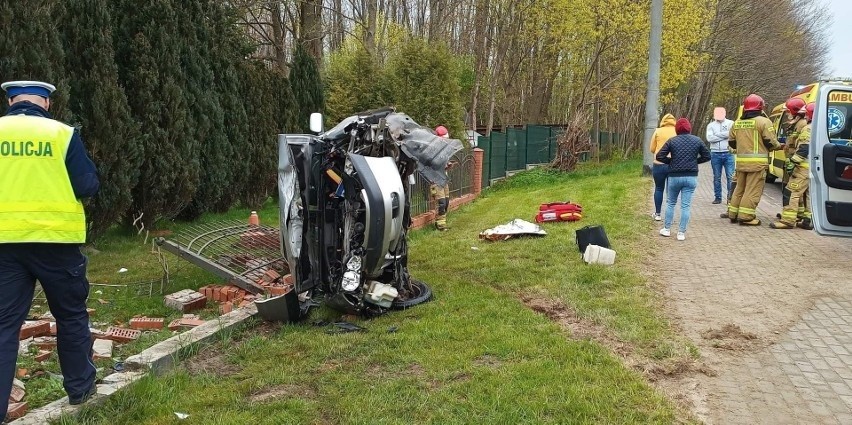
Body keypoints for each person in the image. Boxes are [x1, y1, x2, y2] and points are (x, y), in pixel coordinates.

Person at [0, 80, 100, 418]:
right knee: (70, 316)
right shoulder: (62, 134)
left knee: (3, 326)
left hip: (4, 243)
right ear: (46, 103)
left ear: (11, 100)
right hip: (56, 244)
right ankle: (81, 391)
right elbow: (87, 185)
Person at [724, 94, 781, 225]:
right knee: (752, 190)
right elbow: (771, 143)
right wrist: (779, 146)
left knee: (739, 189)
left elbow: (732, 143)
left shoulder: (737, 123)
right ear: (760, 107)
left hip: (741, 163)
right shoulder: (764, 122)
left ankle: (733, 213)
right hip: (757, 164)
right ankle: (746, 217)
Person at [655, 118, 710, 240]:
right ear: (689, 128)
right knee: (685, 206)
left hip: (674, 176)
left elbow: (659, 155)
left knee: (670, 203)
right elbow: (707, 156)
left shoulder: (672, 141)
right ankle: (681, 233)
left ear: (677, 129)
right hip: (691, 177)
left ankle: (667, 229)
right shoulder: (697, 140)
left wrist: (671, 162)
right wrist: (695, 162)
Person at [771, 102, 814, 230]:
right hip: (808, 167)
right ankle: (806, 219)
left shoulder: (806, 127)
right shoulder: (814, 126)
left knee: (791, 192)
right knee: (806, 195)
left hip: (802, 167)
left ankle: (788, 220)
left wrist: (793, 161)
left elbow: (804, 147)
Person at [778, 97, 808, 214]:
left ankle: (793, 215)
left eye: (788, 111)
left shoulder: (802, 124)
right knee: (787, 187)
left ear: (794, 111)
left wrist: (794, 161)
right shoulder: (794, 123)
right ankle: (794, 213)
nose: (786, 113)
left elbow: (802, 145)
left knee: (793, 190)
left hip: (796, 163)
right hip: (790, 160)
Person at [649, 113, 677, 221]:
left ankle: (658, 214)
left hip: (659, 164)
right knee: (671, 190)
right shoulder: (677, 132)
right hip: (673, 165)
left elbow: (652, 149)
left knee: (659, 188)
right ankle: (670, 215)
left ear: (663, 121)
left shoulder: (658, 131)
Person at [705, 107, 734, 204]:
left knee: (730, 176)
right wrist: (724, 135)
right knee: (717, 176)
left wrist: (717, 134)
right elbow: (710, 138)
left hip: (728, 153)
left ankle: (730, 198)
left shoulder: (731, 123)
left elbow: (731, 134)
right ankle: (718, 197)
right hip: (715, 153)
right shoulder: (711, 125)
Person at [431, 125, 452, 231]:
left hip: (444, 179)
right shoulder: (432, 150)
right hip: (436, 180)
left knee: (446, 201)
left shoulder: (444, 150)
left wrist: (447, 165)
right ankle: (440, 225)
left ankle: (442, 221)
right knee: (441, 203)